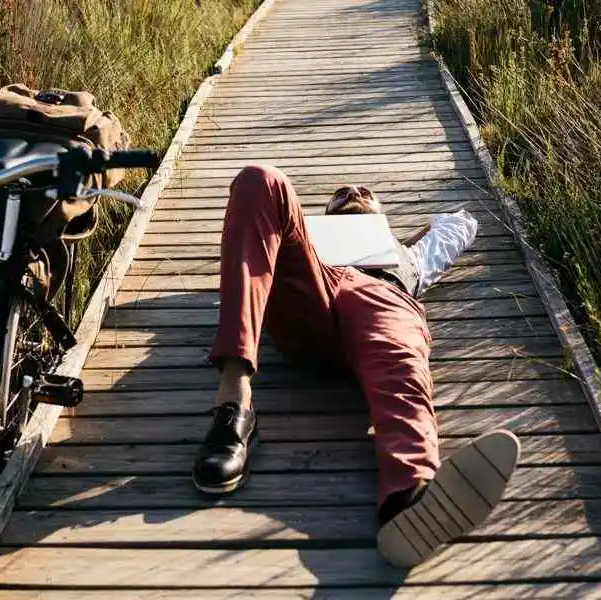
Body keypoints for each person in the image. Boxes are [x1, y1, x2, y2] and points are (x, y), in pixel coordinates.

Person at [192, 165, 521, 568]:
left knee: (399, 352)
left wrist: (394, 237)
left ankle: (409, 496)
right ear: (326, 216)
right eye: (341, 194)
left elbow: (460, 223)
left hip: (381, 297)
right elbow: (250, 257)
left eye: (365, 192)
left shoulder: (412, 256)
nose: (352, 191)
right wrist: (291, 236)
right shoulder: (301, 242)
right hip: (311, 299)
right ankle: (234, 404)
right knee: (258, 179)